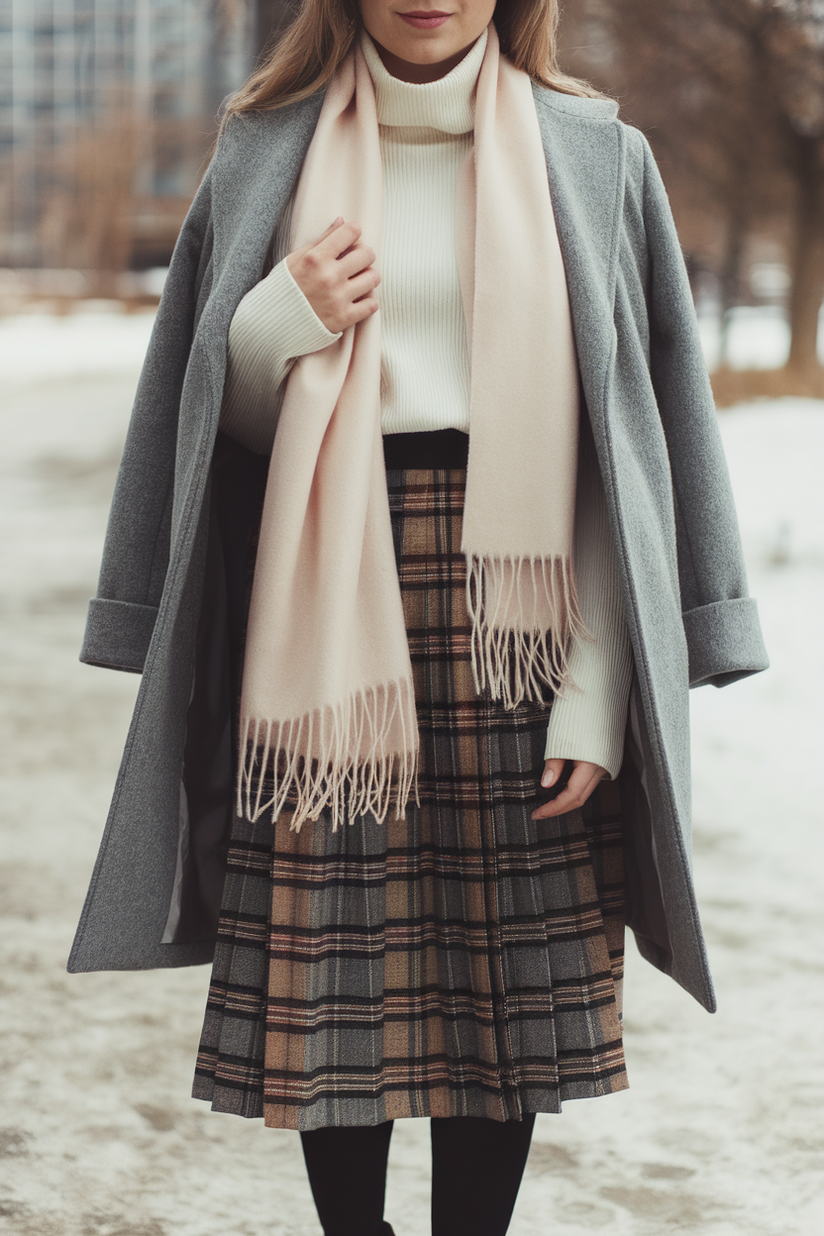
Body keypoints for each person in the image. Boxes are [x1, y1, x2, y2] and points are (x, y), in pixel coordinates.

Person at [69, 2, 769, 1234]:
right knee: (332, 970)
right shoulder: (261, 150)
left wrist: (599, 686)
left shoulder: (596, 155)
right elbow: (207, 437)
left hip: (525, 609)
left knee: (499, 974)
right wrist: (277, 322)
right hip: (318, 595)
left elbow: (630, 449)